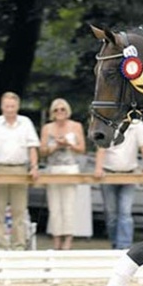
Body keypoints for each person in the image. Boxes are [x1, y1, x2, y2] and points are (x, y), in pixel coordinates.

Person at [0, 92, 40, 250]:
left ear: (18, 106)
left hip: (20, 169)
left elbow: (32, 147)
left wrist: (34, 167)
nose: (9, 109)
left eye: (12, 106)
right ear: (2, 107)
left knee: (19, 211)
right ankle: (1, 246)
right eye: (6, 106)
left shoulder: (26, 123)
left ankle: (18, 246)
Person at [94, 120, 143, 249]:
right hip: (109, 174)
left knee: (125, 212)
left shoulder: (137, 124)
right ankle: (115, 244)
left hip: (130, 174)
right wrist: (98, 168)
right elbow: (101, 148)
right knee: (111, 214)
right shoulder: (107, 123)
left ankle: (124, 247)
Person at [39, 98, 86, 250]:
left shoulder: (76, 126)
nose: (60, 112)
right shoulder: (47, 128)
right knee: (54, 207)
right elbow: (42, 151)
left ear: (67, 111)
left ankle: (68, 240)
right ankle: (56, 239)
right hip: (52, 169)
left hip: (70, 168)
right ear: (52, 113)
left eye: (62, 109)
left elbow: (82, 149)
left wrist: (68, 144)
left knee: (69, 206)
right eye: (56, 110)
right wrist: (54, 146)